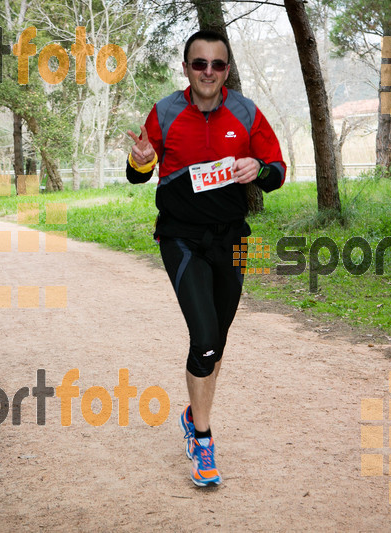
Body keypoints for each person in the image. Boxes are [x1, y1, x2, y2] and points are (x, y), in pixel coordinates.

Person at [126, 30, 286, 487]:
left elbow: (278, 170)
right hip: (181, 238)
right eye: (200, 64)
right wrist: (140, 161)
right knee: (205, 338)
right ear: (186, 69)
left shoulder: (246, 112)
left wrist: (260, 168)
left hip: (232, 240)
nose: (208, 73)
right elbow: (139, 173)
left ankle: (194, 409)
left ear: (227, 70)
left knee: (218, 337)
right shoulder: (166, 112)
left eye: (217, 65)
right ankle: (203, 438)